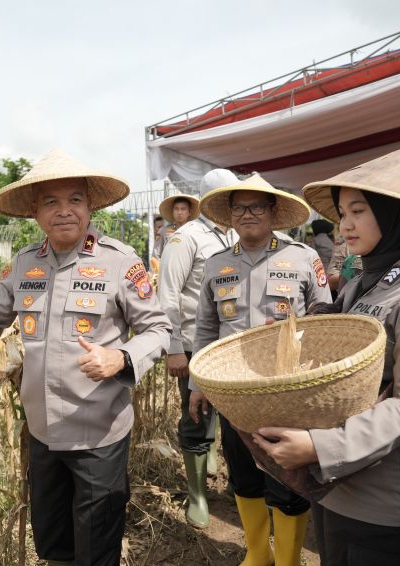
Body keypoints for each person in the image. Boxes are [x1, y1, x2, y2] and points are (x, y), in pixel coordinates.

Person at [0, 150, 172, 566]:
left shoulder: (121, 262)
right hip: (43, 433)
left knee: (96, 548)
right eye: (51, 201)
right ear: (35, 211)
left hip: (98, 434)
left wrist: (120, 357)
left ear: (89, 206)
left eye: (75, 200)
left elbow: (159, 330)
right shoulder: (26, 263)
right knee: (53, 544)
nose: (64, 211)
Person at [254, 141, 400, 565]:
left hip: (388, 501)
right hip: (341, 485)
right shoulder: (365, 283)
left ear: (397, 215)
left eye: (359, 211)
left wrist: (320, 449)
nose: (345, 226)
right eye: (342, 214)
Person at [191, 172, 332, 566]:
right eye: (239, 207)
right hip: (233, 393)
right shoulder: (217, 264)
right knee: (243, 474)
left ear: (273, 211)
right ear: (230, 214)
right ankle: (257, 554)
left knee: (289, 481)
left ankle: (286, 560)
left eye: (257, 206)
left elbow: (325, 320)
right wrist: (196, 385)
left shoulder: (303, 258)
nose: (247, 214)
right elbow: (205, 326)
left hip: (287, 393)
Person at [158, 168, 239, 527]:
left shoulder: (238, 234)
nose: (233, 205)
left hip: (234, 342)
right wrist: (174, 347)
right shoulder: (186, 238)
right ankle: (197, 495)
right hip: (196, 343)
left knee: (234, 415)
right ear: (208, 201)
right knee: (197, 415)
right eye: (226, 198)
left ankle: (231, 473)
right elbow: (168, 295)